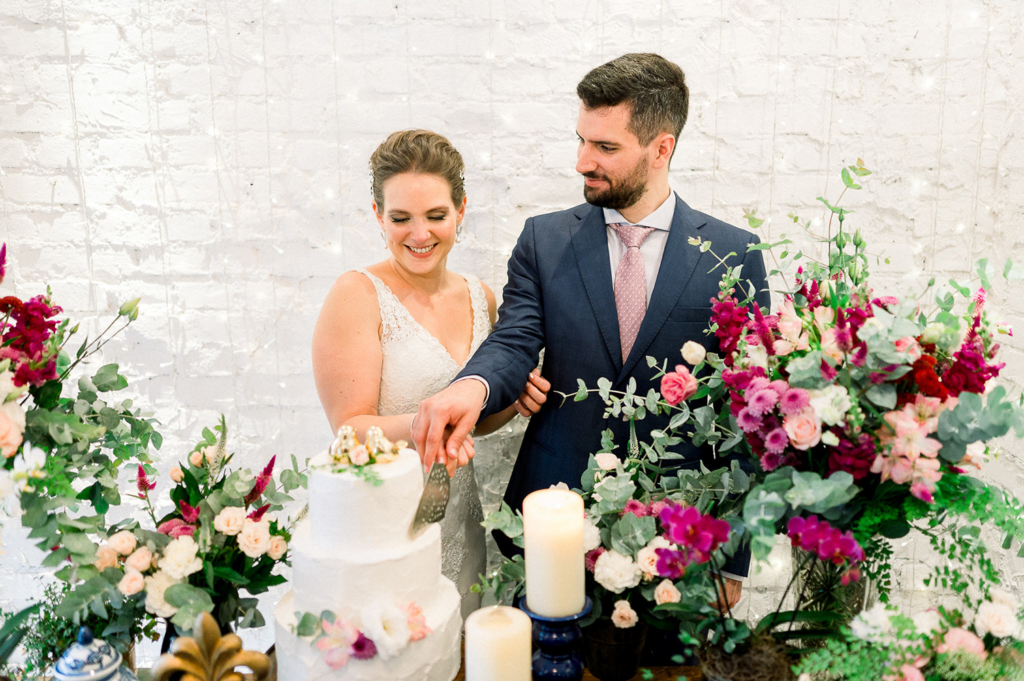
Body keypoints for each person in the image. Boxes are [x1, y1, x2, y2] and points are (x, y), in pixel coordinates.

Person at [411, 54, 771, 619]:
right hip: (555, 520)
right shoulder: (543, 240)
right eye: (582, 140)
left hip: (680, 533)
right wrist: (473, 386)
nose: (583, 161)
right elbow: (514, 340)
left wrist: (732, 557)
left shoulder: (733, 254)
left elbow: (750, 417)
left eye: (605, 148)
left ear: (661, 148)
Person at [311, 129, 550, 621]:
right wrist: (433, 418)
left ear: (461, 210)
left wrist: (513, 400)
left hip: (459, 515)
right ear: (378, 216)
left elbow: (476, 421)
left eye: (436, 216)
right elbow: (350, 428)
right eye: (401, 218)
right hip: (385, 523)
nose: (420, 235)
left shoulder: (479, 295)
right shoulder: (357, 294)